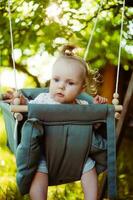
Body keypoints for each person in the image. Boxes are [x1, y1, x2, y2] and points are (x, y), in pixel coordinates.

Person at [2, 45, 107, 200]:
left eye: (70, 83)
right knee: (37, 172)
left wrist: (98, 109)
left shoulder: (83, 106)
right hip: (45, 154)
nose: (61, 86)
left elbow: (95, 125)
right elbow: (28, 110)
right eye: (56, 79)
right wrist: (22, 101)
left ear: (81, 89)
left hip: (77, 155)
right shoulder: (43, 100)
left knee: (89, 168)